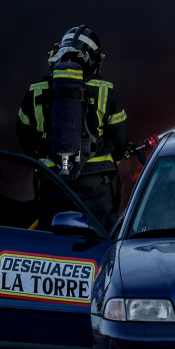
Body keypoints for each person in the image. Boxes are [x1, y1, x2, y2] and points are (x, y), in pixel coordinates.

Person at [16, 25, 129, 231]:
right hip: (96, 183)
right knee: (101, 236)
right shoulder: (106, 90)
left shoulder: (36, 90)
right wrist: (113, 160)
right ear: (94, 58)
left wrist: (43, 161)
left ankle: (51, 263)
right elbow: (121, 139)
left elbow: (23, 134)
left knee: (50, 234)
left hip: (52, 180)